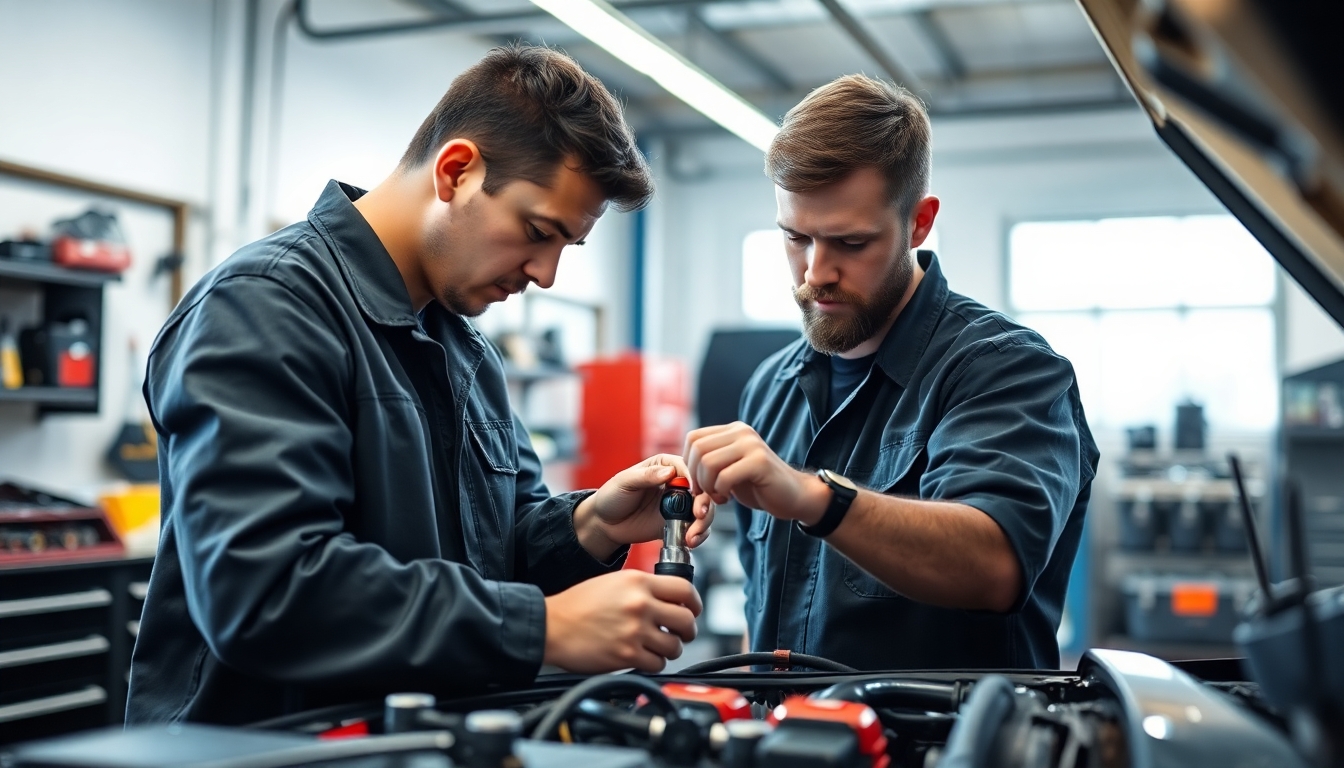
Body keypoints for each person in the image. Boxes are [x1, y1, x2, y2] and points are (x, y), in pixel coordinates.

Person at [128, 45, 713, 725]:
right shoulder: (264, 308)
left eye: (565, 248)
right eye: (535, 232)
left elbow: (496, 553)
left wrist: (593, 524)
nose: (547, 276)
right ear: (456, 170)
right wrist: (540, 627)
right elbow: (264, 589)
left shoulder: (465, 349)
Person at [683, 75, 1098, 671]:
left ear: (919, 223)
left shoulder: (1007, 369)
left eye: (850, 242)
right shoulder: (770, 388)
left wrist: (814, 497)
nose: (814, 273)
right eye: (796, 237)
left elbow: (994, 565)